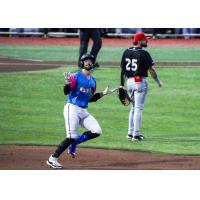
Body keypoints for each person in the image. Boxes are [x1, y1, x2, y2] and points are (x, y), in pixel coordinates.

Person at [47, 53, 112, 169]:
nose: (88, 62)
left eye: (90, 61)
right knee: (71, 136)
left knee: (97, 131)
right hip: (72, 108)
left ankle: (75, 143)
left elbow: (90, 98)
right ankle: (52, 159)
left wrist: (103, 93)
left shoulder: (93, 81)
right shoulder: (75, 76)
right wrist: (68, 82)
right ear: (82, 63)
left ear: (93, 64)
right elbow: (66, 92)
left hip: (83, 111)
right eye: (86, 60)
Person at [120, 32, 162, 141]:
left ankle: (130, 133)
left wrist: (121, 85)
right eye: (144, 40)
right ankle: (136, 135)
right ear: (139, 41)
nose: (146, 41)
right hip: (139, 82)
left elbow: (123, 71)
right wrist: (158, 81)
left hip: (129, 82)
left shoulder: (126, 52)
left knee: (133, 108)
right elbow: (151, 70)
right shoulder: (144, 53)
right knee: (138, 108)